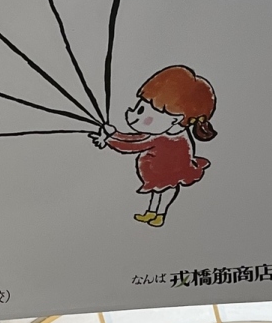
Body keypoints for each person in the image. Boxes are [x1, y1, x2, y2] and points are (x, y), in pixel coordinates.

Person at [92, 65, 216, 226]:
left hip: (168, 171)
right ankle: (153, 213)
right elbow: (135, 138)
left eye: (142, 112)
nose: (134, 116)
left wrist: (109, 139)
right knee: (159, 192)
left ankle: (159, 214)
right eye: (139, 108)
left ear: (176, 119)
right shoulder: (166, 133)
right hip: (162, 170)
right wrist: (113, 134)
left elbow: (133, 145)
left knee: (163, 191)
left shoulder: (164, 139)